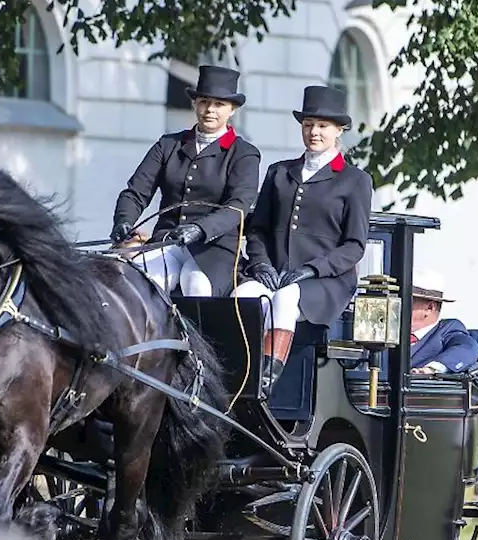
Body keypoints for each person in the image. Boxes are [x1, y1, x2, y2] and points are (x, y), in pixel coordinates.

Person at [235, 85, 372, 391]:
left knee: (286, 297)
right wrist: (261, 265)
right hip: (277, 272)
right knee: (241, 297)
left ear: (339, 130)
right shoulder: (279, 172)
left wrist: (312, 269)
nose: (314, 132)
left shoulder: (355, 180)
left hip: (325, 281)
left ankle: (266, 379)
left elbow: (354, 246)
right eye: (308, 124)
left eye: (322, 126)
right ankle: (234, 373)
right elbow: (258, 229)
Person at [111, 65, 261, 297]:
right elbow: (136, 192)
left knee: (196, 285)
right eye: (203, 102)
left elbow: (237, 207)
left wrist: (200, 229)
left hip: (214, 249)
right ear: (195, 104)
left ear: (232, 109)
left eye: (219, 104)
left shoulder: (243, 154)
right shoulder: (168, 145)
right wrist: (124, 220)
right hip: (166, 242)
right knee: (140, 283)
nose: (209, 110)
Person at [408, 268, 478, 374]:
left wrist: (431, 370)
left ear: (429, 308)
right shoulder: (389, 330)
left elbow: (467, 348)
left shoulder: (448, 330)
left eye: (407, 301)